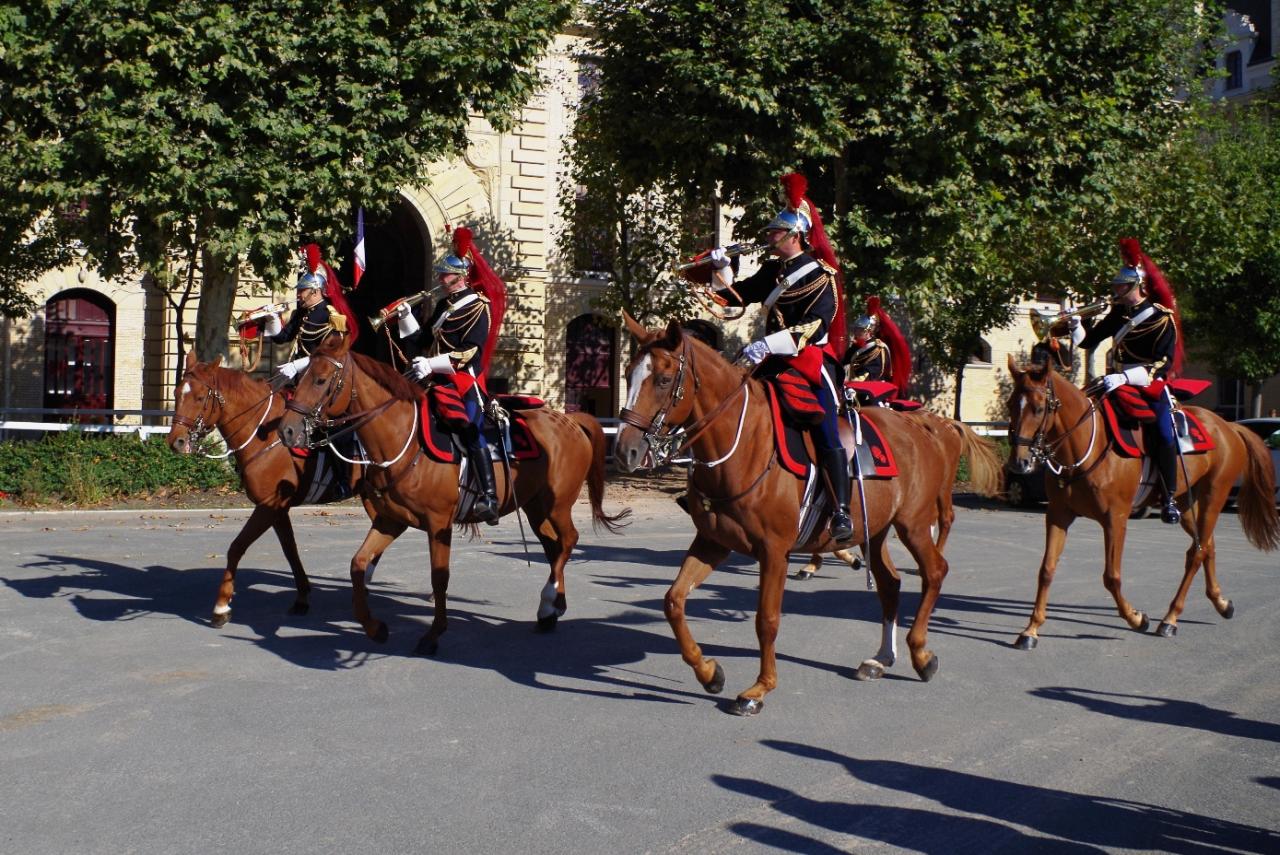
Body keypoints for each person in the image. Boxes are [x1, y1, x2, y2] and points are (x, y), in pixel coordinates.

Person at [702, 174, 852, 542]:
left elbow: (816, 325)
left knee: (825, 429)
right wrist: (721, 270)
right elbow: (733, 297)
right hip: (768, 362)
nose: (768, 237)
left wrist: (769, 344)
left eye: (774, 233)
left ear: (794, 235)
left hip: (809, 363)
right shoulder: (772, 271)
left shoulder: (822, 276)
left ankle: (841, 510)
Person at [392, 227, 506, 524]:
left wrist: (432, 365)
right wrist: (406, 318)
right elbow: (420, 342)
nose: (441, 280)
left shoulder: (479, 307)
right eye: (441, 274)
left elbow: (470, 352)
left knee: (469, 429)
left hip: (464, 382)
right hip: (434, 378)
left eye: (446, 275)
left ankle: (489, 497)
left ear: (461, 276)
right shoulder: (444, 305)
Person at [1073, 237, 1184, 524]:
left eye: (1121, 287)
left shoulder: (1161, 318)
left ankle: (1169, 496)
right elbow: (1088, 343)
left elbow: (1163, 363)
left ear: (1138, 287)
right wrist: (1077, 323)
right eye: (1116, 287)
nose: (1116, 291)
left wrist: (1124, 377)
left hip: (1147, 382)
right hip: (1114, 379)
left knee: (1162, 430)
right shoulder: (1119, 313)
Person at [265, 243, 359, 381]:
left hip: (320, 379)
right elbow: (282, 338)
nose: (298, 295)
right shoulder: (301, 312)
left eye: (302, 291)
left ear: (315, 292)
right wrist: (271, 319)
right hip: (299, 376)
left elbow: (333, 354)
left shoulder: (331, 316)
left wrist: (297, 365)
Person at [845, 296, 911, 406]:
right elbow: (844, 363)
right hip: (852, 390)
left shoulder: (878, 348)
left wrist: (851, 385)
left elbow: (870, 373)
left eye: (859, 329)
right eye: (856, 328)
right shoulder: (856, 347)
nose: (856, 331)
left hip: (871, 395)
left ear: (869, 331)